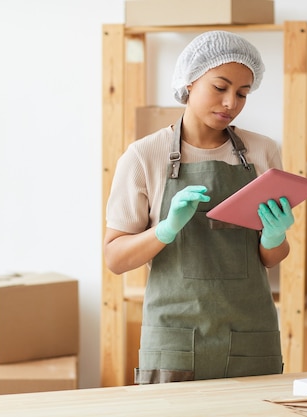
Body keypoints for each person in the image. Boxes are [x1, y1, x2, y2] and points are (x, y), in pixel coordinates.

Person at [103, 31, 295, 384]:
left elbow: (270, 258)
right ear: (189, 82)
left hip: (250, 333)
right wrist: (164, 230)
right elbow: (115, 258)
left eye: (242, 93)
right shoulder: (144, 156)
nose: (230, 103)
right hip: (174, 338)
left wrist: (274, 236)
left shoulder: (262, 152)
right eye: (219, 87)